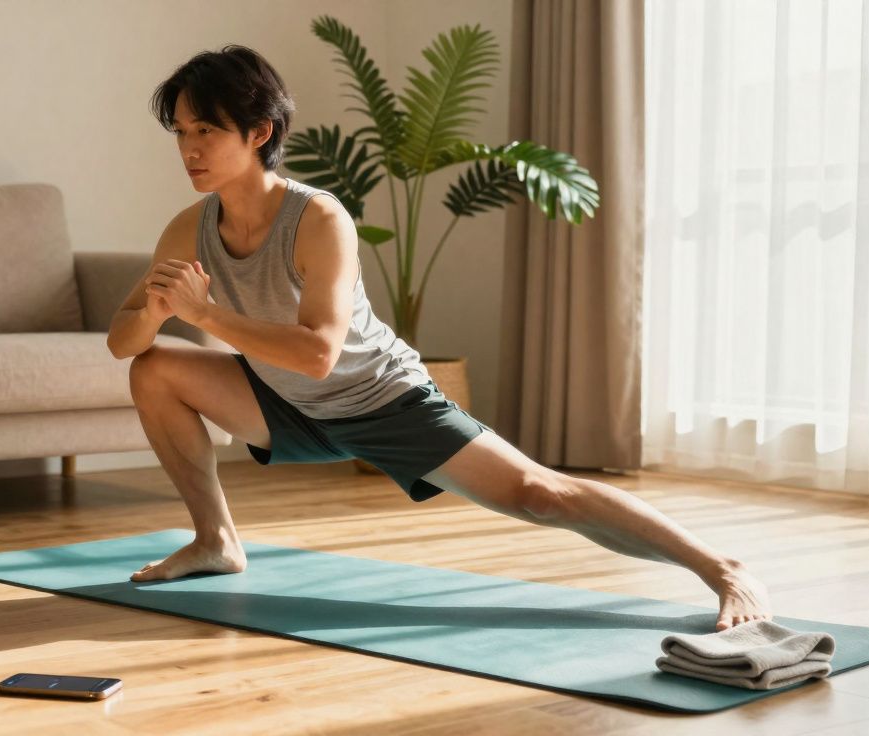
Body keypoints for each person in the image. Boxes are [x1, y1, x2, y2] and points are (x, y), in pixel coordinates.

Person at [107, 45, 772, 632]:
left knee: (541, 495)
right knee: (154, 370)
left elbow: (319, 354)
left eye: (206, 131)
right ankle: (215, 539)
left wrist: (210, 316)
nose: (189, 149)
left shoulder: (318, 219)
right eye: (181, 132)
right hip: (288, 407)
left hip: (384, 400)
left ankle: (720, 566)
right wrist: (157, 310)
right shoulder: (186, 229)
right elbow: (121, 343)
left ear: (259, 132)